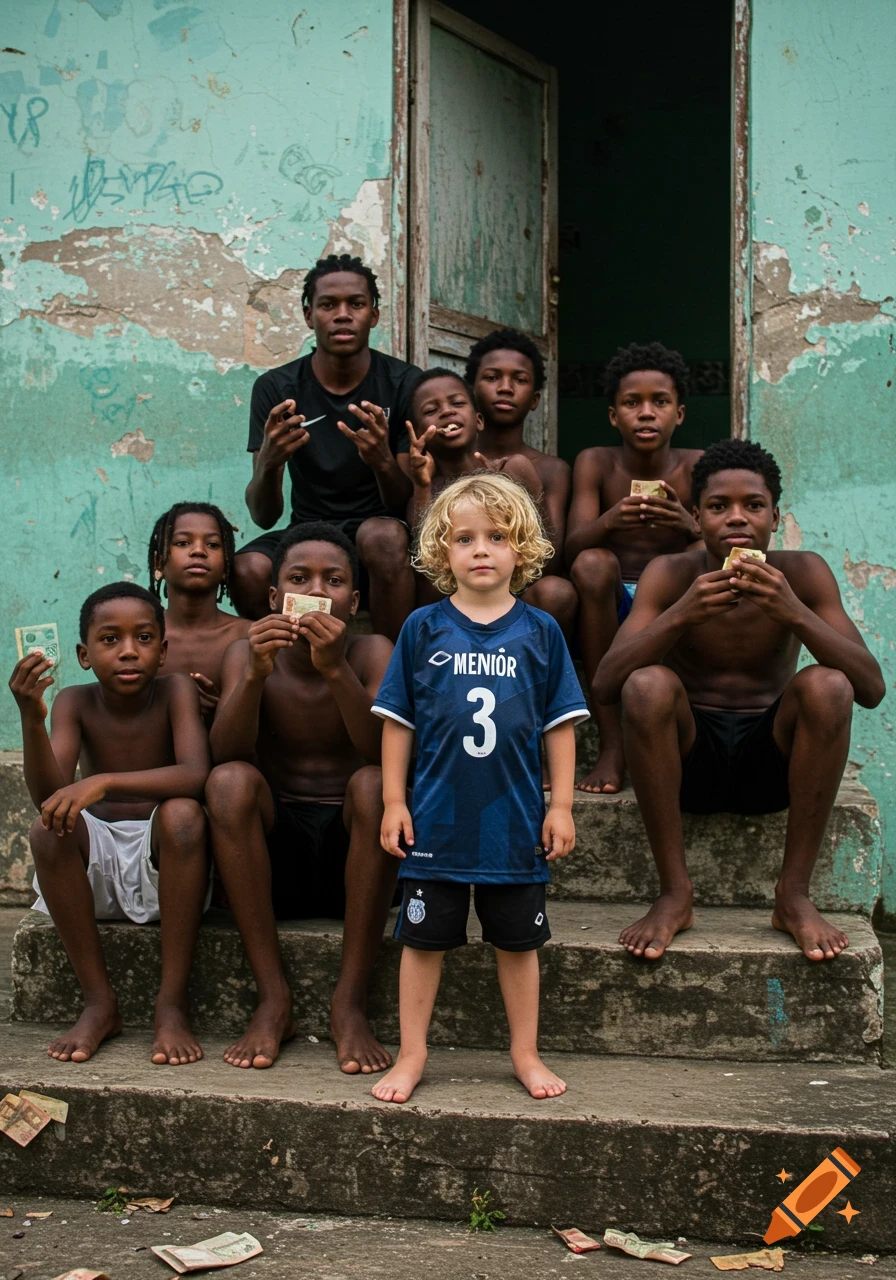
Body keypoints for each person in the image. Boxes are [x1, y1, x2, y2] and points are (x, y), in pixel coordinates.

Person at [594, 439, 885, 962]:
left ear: (776, 514)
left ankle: (792, 895)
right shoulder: (671, 573)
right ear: (695, 515)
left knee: (828, 684)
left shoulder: (803, 572)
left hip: (769, 763)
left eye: (753, 506)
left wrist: (792, 610)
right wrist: (682, 613)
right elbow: (607, 684)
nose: (736, 519)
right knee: (647, 683)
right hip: (685, 763)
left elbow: (869, 688)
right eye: (717, 506)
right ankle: (675, 893)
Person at [370, 473, 589, 1105]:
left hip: (514, 822)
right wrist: (393, 801)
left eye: (497, 536)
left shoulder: (540, 631)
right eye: (464, 538)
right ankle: (413, 1054)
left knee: (518, 944)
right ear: (442, 552)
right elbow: (397, 723)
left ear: (522, 548)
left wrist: (563, 806)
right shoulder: (422, 628)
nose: (481, 549)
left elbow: (560, 727)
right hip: (436, 820)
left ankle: (524, 1052)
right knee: (422, 941)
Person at [207, 523, 397, 1072]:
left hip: (356, 857)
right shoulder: (244, 654)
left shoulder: (371, 651)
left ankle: (350, 1002)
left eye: (333, 580)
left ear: (354, 601)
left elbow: (380, 752)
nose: (317, 590)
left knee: (374, 783)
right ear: (274, 598)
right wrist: (254, 678)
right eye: (299, 578)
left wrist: (335, 669)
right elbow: (225, 753)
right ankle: (273, 996)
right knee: (229, 783)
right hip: (275, 857)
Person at [8, 583, 210, 1065]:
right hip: (94, 869)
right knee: (45, 829)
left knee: (184, 814)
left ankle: (171, 1005)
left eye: (143, 638)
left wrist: (100, 782)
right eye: (109, 639)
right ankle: (100, 1002)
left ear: (162, 652)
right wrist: (31, 721)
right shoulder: (74, 702)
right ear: (82, 654)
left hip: (164, 865)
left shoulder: (176, 689)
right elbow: (49, 801)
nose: (127, 651)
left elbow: (195, 774)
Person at [231, 253, 420, 640]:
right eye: (328, 305)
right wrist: (269, 462)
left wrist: (382, 460)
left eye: (356, 304)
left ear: (375, 315)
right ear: (307, 315)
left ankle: (392, 670)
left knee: (382, 536)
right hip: (309, 531)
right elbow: (264, 517)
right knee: (247, 568)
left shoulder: (403, 384)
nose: (343, 315)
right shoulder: (276, 389)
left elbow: (406, 505)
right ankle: (284, 671)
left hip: (378, 537)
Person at [565, 342, 703, 794]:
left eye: (659, 402)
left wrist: (688, 525)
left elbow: (720, 548)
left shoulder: (697, 466)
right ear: (613, 415)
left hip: (670, 602)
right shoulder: (596, 462)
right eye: (632, 403)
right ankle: (611, 742)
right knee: (592, 563)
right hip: (610, 602)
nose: (647, 413)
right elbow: (571, 549)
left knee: (697, 567)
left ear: (678, 414)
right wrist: (610, 520)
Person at [405, 368, 574, 632]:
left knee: (557, 591)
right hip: (455, 604)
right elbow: (429, 573)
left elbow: (546, 559)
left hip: (516, 600)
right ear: (416, 433)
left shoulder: (512, 468)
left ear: (479, 421)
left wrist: (509, 493)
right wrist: (422, 485)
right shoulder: (427, 486)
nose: (447, 412)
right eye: (431, 410)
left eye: (457, 403)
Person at [466, 328, 577, 634]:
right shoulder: (454, 458)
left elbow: (551, 562)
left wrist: (526, 481)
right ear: (472, 389)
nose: (505, 388)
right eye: (492, 377)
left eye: (519, 379)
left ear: (535, 399)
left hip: (525, 592)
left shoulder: (553, 469)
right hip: (459, 585)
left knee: (557, 590)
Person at [149, 502, 249, 721]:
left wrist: (225, 712)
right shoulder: (143, 639)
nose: (198, 551)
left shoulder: (248, 635)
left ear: (226, 568)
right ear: (158, 564)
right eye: (183, 542)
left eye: (213, 545)